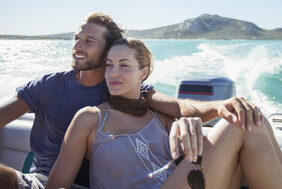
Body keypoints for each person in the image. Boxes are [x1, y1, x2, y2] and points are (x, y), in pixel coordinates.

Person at [0, 13, 267, 189]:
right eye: (76, 38)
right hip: (41, 179)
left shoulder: (129, 90)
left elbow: (178, 107)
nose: (78, 45)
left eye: (89, 40)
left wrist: (218, 107)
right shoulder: (48, 85)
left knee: (246, 123)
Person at [45, 38, 282, 189]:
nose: (113, 73)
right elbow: (57, 185)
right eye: (109, 65)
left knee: (253, 118)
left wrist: (184, 126)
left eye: (124, 66)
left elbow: (183, 115)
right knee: (238, 122)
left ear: (143, 73)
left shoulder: (158, 115)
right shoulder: (89, 118)